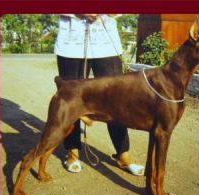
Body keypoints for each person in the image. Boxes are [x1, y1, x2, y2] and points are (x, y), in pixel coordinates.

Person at [54, 14, 144, 175]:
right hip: (71, 45)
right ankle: (72, 153)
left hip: (107, 45)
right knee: (72, 100)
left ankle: (123, 154)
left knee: (117, 101)